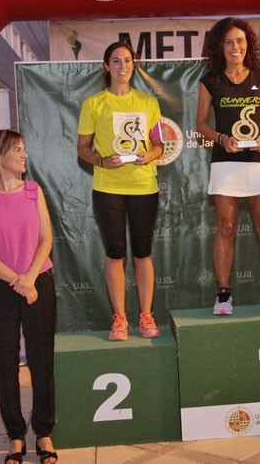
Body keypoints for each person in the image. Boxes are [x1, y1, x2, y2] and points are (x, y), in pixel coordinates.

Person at [195, 17, 260, 315]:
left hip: (257, 162)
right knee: (226, 227)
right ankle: (223, 294)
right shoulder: (210, 81)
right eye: (228, 42)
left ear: (248, 44)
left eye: (240, 41)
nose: (235, 47)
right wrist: (221, 138)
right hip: (226, 161)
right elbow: (201, 124)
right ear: (220, 46)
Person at [0, 130, 58, 464]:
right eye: (17, 150)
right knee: (4, 363)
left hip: (38, 284)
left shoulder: (34, 191)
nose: (24, 155)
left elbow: (46, 239)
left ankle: (44, 432)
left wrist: (30, 278)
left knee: (41, 359)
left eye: (23, 149)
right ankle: (15, 436)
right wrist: (16, 281)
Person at [76, 41, 164, 341]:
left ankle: (146, 316)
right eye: (115, 61)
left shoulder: (148, 102)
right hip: (108, 187)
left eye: (127, 60)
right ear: (106, 66)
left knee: (143, 253)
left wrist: (150, 155)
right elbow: (82, 148)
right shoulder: (93, 104)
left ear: (133, 65)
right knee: (115, 254)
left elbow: (159, 144)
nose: (122, 66)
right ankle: (120, 319)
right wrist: (102, 161)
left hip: (144, 186)